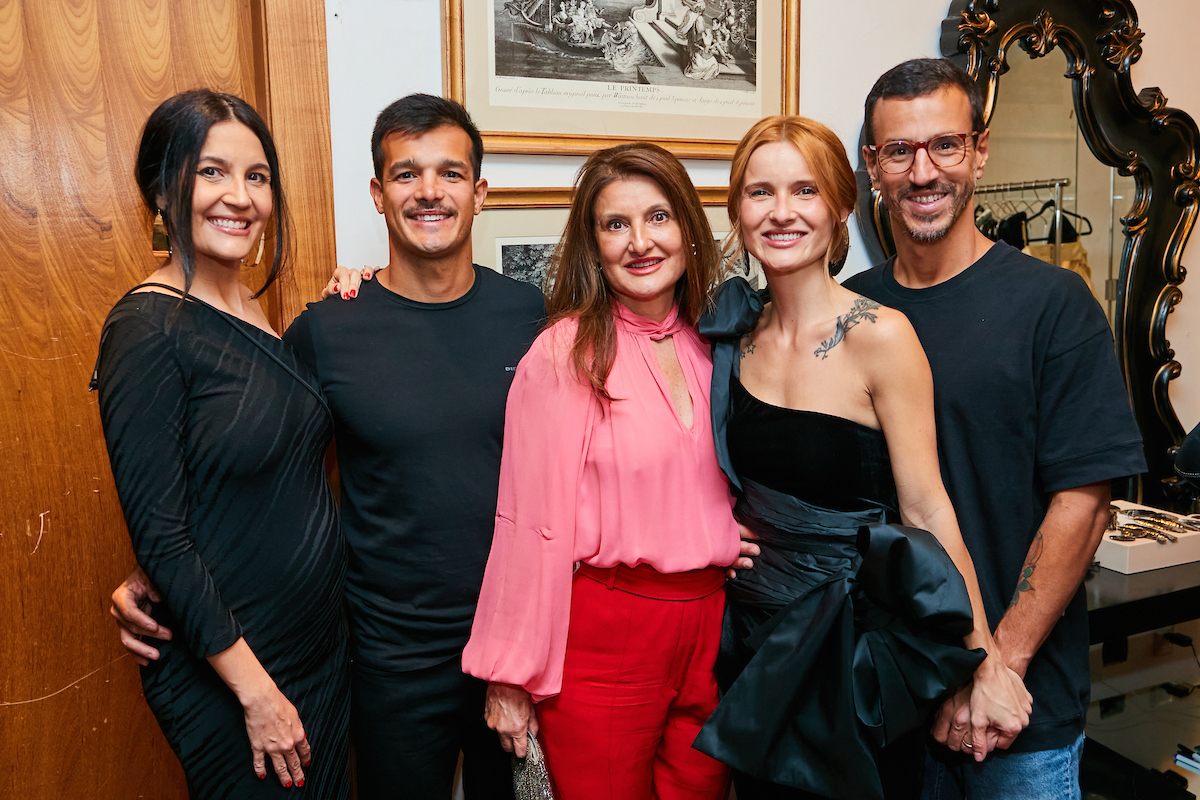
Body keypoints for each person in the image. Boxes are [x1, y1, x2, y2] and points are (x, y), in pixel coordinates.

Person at [109, 94, 545, 799]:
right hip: (384, 656)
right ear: (377, 195)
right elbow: (263, 453)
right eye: (405, 174)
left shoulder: (530, 314)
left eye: (450, 174)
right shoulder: (325, 329)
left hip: (513, 645)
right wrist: (158, 562)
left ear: (481, 191)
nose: (429, 192)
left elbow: (582, 462)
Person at [692, 115, 1031, 800]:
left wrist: (988, 660)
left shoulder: (881, 336)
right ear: (736, 209)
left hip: (852, 652)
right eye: (760, 193)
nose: (781, 212)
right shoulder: (732, 334)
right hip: (754, 639)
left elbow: (927, 507)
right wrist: (713, 532)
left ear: (842, 205)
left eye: (805, 191)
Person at [844, 58, 1146, 798]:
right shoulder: (848, 311)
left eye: (945, 145)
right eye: (899, 151)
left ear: (980, 151)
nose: (924, 172)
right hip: (888, 706)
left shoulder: (1054, 306)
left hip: (1017, 716)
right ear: (872, 167)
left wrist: (992, 670)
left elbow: (1084, 504)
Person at [460, 142, 742, 800]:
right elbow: (528, 524)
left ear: (688, 231)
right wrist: (509, 674)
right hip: (608, 633)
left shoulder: (721, 339)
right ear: (593, 243)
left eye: (658, 217)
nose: (640, 241)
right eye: (616, 224)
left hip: (714, 628)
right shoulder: (566, 351)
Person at [92, 90, 349, 797]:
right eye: (211, 172)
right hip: (236, 674)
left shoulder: (253, 308)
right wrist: (256, 695)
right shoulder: (147, 331)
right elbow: (164, 540)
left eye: (257, 176)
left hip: (316, 652)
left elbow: (264, 470)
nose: (239, 196)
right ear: (161, 189)